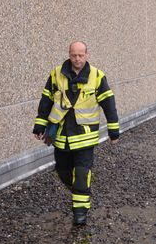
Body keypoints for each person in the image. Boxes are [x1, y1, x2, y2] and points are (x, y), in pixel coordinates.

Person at [33, 41, 119, 225]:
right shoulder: (56, 74)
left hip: (85, 136)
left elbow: (108, 103)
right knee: (63, 172)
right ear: (69, 54)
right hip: (61, 135)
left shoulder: (97, 76)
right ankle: (82, 190)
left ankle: (80, 212)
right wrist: (40, 123)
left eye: (80, 55)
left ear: (87, 55)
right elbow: (46, 98)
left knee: (81, 173)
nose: (77, 59)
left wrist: (113, 128)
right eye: (73, 55)